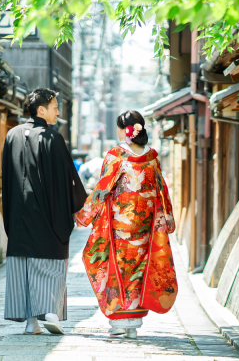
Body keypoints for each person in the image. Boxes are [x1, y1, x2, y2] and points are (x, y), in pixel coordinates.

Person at [75, 110, 178, 339]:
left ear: (125, 130)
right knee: (140, 268)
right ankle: (134, 322)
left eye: (120, 128)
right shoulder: (152, 157)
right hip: (145, 225)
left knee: (118, 267)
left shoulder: (116, 155)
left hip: (120, 224)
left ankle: (121, 321)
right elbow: (162, 190)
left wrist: (84, 215)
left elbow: (102, 188)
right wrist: (167, 217)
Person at [1, 88, 88, 335]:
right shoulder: (52, 138)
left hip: (18, 215)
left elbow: (6, 179)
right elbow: (67, 179)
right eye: (54, 106)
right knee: (49, 266)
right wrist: (77, 207)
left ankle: (31, 323)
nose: (58, 111)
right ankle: (50, 311)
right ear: (41, 110)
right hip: (47, 215)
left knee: (24, 267)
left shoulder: (12, 135)